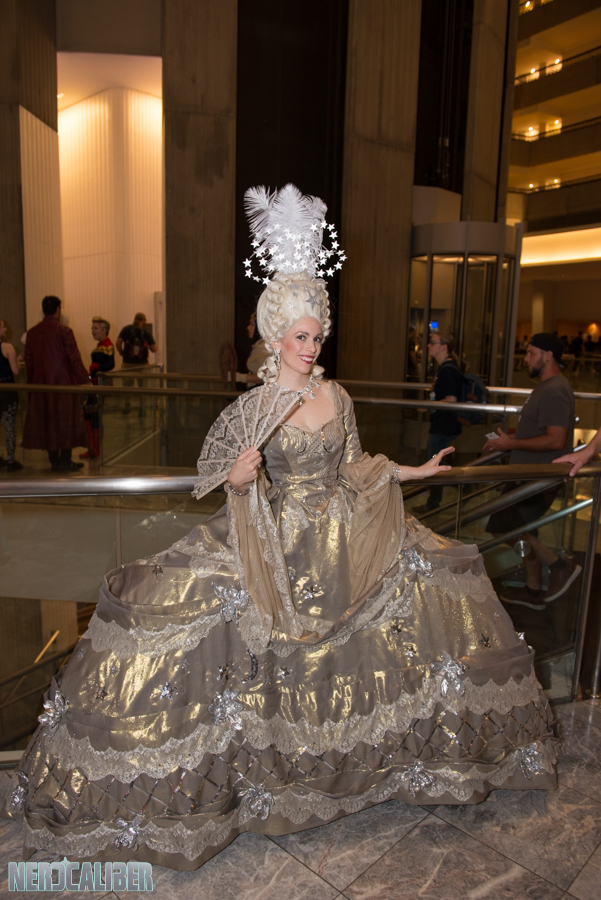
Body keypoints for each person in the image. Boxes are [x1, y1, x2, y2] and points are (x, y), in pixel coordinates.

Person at [8, 185, 557, 870]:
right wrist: (240, 481)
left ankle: (371, 766)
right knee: (236, 638)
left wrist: (411, 472)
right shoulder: (258, 404)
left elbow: (353, 466)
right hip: (277, 540)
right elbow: (244, 482)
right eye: (300, 336)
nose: (311, 345)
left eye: (317, 334)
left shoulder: (337, 394)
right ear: (274, 338)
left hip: (343, 537)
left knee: (414, 595)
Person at [483, 334, 578, 610]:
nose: (525, 359)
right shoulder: (547, 387)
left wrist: (511, 444)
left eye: (531, 353)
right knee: (523, 530)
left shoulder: (555, 390)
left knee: (502, 527)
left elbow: (556, 440)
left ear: (548, 355)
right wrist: (507, 441)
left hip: (538, 478)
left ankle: (559, 566)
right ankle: (534, 590)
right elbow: (540, 432)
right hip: (529, 474)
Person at [22, 296, 89, 471]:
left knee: (47, 421)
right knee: (67, 420)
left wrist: (31, 385)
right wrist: (86, 381)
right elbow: (75, 360)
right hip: (64, 383)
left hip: (41, 385)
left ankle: (54, 460)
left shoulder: (32, 333)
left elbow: (29, 362)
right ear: (58, 310)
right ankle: (66, 460)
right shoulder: (64, 331)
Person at [414, 331, 462, 513]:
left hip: (443, 426)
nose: (428, 345)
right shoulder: (445, 368)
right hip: (442, 424)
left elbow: (451, 399)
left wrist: (427, 406)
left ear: (444, 347)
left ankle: (433, 504)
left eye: (433, 342)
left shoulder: (448, 370)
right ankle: (434, 501)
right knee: (437, 462)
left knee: (435, 463)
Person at [80, 317, 115, 459]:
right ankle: (92, 448)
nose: (92, 331)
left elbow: (110, 364)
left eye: (96, 328)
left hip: (99, 385)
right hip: (94, 384)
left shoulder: (107, 345)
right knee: (90, 415)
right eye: (92, 328)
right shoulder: (102, 345)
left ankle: (95, 449)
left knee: (94, 416)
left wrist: (96, 367)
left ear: (104, 330)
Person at [0, 319, 23, 471]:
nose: (5, 329)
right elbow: (15, 371)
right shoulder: (8, 348)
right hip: (7, 393)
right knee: (9, 428)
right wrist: (17, 362)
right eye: (3, 327)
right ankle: (10, 461)